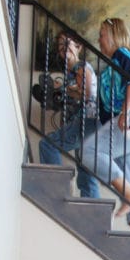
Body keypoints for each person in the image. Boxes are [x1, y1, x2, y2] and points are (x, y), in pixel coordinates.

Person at [80, 16, 130, 232]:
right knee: (129, 176)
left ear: (115, 36)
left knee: (88, 150)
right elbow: (105, 115)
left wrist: (124, 112)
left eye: (102, 34)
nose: (99, 39)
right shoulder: (108, 71)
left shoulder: (123, 55)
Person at [37, 31, 99, 198]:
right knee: (86, 171)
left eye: (67, 43)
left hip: (87, 119)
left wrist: (66, 89)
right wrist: (63, 89)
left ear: (78, 46)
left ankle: (58, 190)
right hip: (91, 122)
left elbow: (86, 93)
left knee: (48, 145)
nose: (63, 48)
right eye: (60, 45)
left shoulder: (80, 66)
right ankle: (94, 216)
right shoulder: (72, 73)